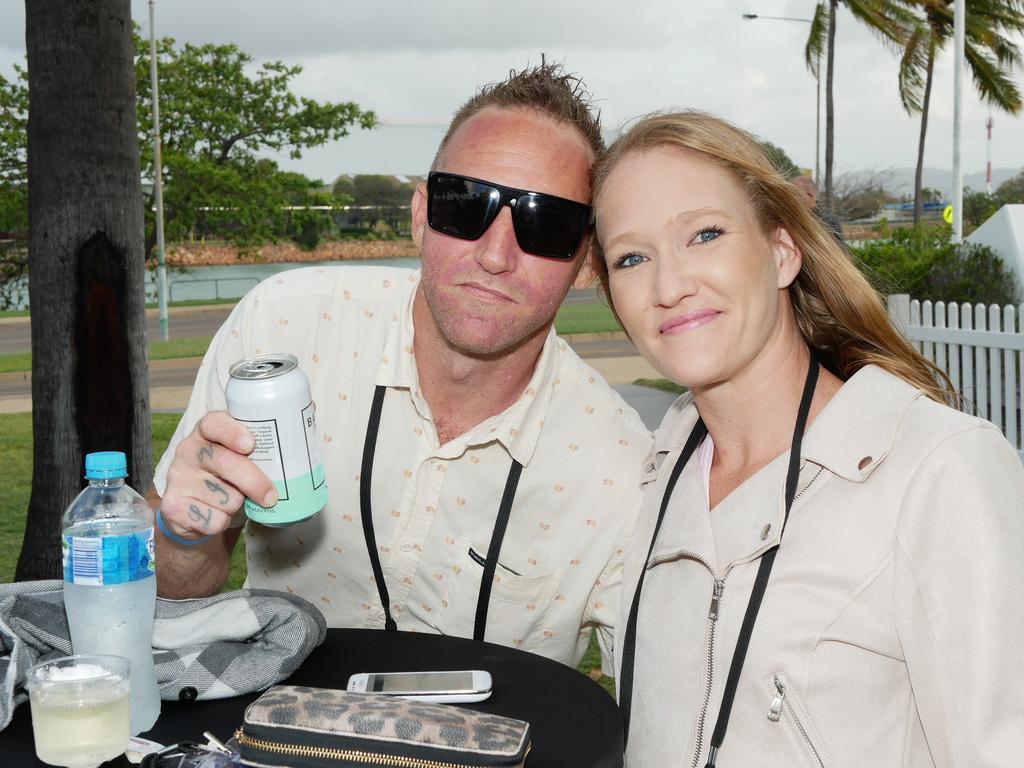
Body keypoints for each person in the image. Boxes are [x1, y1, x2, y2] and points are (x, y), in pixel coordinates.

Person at [149, 64, 653, 671]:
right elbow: (171, 600)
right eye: (466, 206)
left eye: (546, 225)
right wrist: (183, 536)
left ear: (588, 263)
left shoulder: (623, 468)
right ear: (421, 213)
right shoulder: (280, 331)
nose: (495, 255)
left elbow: (657, 703)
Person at [589, 111, 1024, 766]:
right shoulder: (657, 469)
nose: (669, 286)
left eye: (704, 234)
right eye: (632, 257)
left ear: (782, 252)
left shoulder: (937, 471)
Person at [791, 173, 844, 243]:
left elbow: (839, 252)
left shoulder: (828, 222)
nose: (791, 199)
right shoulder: (790, 219)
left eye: (796, 194)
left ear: (811, 195)